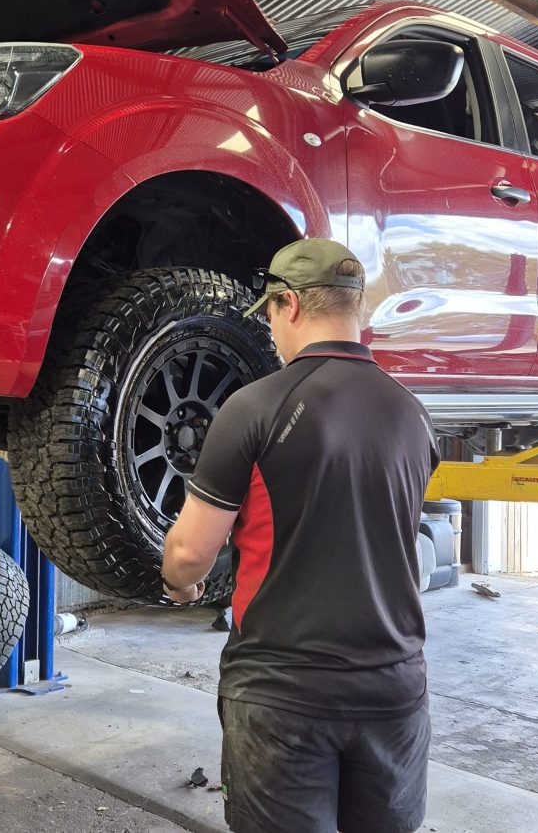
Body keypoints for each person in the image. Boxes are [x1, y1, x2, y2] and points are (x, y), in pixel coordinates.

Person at [160, 238, 440, 833]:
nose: (271, 331)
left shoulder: (256, 407)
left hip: (283, 697)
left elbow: (187, 554)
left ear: (288, 304)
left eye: (269, 314)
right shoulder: (413, 415)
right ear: (355, 305)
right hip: (395, 692)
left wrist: (181, 587)